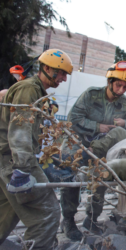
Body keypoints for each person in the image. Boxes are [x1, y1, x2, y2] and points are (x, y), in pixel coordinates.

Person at [0, 49, 73, 249]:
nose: (64, 79)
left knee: (7, 214)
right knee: (47, 215)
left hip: (7, 159)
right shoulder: (29, 89)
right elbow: (20, 129)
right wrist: (23, 168)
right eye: (61, 73)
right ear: (46, 68)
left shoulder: (37, 93)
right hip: (14, 162)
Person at [59, 61, 126, 241]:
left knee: (99, 180)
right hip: (77, 142)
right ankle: (68, 221)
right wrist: (97, 126)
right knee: (70, 182)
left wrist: (125, 123)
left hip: (101, 145)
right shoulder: (92, 94)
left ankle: (91, 219)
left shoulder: (124, 102)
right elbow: (73, 119)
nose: (121, 90)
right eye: (118, 85)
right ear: (110, 82)